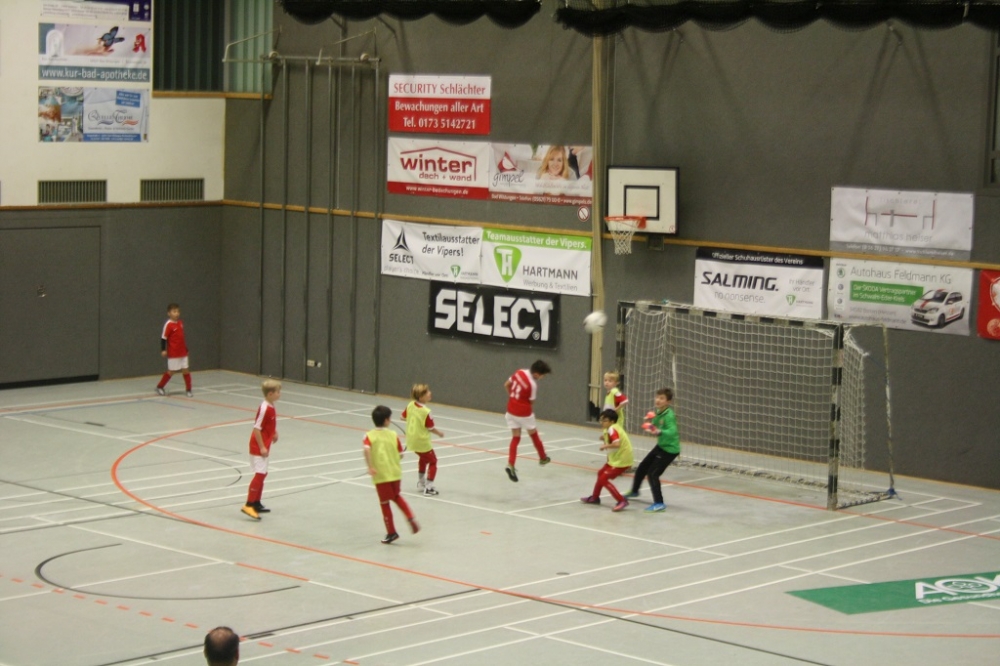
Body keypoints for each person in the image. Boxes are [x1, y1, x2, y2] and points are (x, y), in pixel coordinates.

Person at [364, 405, 420, 544]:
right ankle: (410, 516)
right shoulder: (393, 435)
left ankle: (391, 532)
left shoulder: (369, 436)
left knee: (384, 503)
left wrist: (370, 466)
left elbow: (366, 449)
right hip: (395, 473)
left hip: (381, 475)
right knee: (396, 496)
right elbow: (401, 454)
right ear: (386, 420)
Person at [625, 388, 680, 512]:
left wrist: (659, 431)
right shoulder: (659, 412)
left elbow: (672, 431)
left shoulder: (669, 415)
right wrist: (649, 423)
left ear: (668, 402)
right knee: (642, 467)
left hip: (670, 450)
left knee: (653, 474)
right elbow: (654, 426)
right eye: (657, 397)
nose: (658, 400)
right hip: (661, 446)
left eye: (662, 398)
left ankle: (659, 503)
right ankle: (634, 491)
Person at [503, 360, 552, 482]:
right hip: (524, 413)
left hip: (511, 410)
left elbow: (506, 385)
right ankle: (543, 457)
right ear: (536, 374)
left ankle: (511, 464)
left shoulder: (519, 372)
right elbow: (531, 402)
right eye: (542, 375)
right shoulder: (532, 385)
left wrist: (514, 399)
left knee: (515, 438)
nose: (542, 378)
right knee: (534, 435)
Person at [241, 379, 281, 520]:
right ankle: (249, 504)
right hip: (258, 446)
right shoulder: (265, 408)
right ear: (270, 394)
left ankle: (256, 503)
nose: (279, 394)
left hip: (265, 444)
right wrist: (262, 447)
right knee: (259, 474)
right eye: (278, 392)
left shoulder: (271, 405)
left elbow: (269, 424)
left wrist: (274, 432)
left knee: (263, 473)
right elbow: (257, 428)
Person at [580, 408, 634, 512]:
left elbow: (617, 444)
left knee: (603, 479)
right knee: (600, 474)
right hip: (616, 458)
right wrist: (604, 438)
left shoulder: (612, 429)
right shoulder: (610, 428)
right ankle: (595, 497)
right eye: (601, 420)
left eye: (604, 420)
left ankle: (622, 500)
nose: (602, 422)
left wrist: (605, 446)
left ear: (612, 421)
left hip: (622, 459)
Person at [402, 384, 444, 496]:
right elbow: (430, 428)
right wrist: (439, 433)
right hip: (422, 442)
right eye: (427, 392)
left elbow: (403, 417)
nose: (430, 393)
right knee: (433, 461)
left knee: (423, 458)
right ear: (421, 397)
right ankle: (428, 488)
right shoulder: (426, 411)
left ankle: (421, 483)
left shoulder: (410, 405)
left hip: (411, 440)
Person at [156, 302, 193, 397]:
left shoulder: (180, 323)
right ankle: (160, 386)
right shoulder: (168, 325)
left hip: (183, 352)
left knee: (186, 370)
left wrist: (186, 349)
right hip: (173, 353)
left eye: (178, 311)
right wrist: (163, 349)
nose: (177, 313)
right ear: (169, 313)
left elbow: (181, 338)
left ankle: (188, 389)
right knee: (171, 371)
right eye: (174, 311)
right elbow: (163, 338)